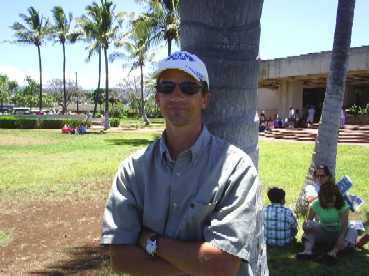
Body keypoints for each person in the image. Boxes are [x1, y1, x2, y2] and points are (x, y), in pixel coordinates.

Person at [100, 50, 267, 276]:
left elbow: (223, 265)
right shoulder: (132, 170)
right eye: (167, 87)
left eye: (188, 88)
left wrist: (150, 240)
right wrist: (195, 263)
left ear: (204, 98)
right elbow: (121, 259)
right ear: (157, 98)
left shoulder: (236, 169)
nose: (176, 95)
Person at [297, 181, 350, 260]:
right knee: (310, 226)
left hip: (338, 233)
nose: (329, 204)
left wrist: (341, 237)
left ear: (336, 196)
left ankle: (333, 252)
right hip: (323, 231)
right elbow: (308, 222)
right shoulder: (316, 205)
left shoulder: (343, 206)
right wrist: (306, 225)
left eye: (331, 201)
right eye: (327, 201)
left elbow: (344, 225)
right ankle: (307, 251)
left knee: (352, 231)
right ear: (321, 199)